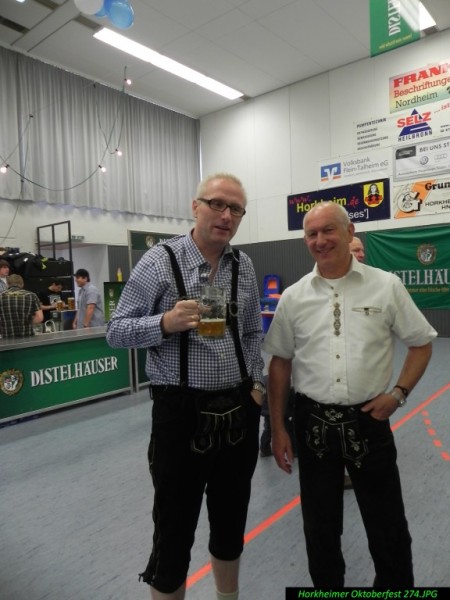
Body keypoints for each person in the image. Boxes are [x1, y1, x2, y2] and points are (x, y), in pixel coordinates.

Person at [107, 173, 264, 600]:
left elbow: (253, 332)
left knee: (231, 524)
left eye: (236, 209)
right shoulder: (159, 262)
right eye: (217, 204)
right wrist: (164, 322)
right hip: (179, 415)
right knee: (173, 534)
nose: (226, 215)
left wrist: (256, 386)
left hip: (238, 411)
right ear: (195, 207)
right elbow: (116, 331)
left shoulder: (243, 265)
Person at [263, 201, 437, 588]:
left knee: (388, 528)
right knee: (319, 530)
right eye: (312, 234)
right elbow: (280, 363)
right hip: (311, 424)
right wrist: (278, 428)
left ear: (349, 232)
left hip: (369, 421)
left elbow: (421, 343)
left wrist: (398, 393)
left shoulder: (386, 286)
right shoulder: (293, 296)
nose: (320, 240)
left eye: (328, 230)